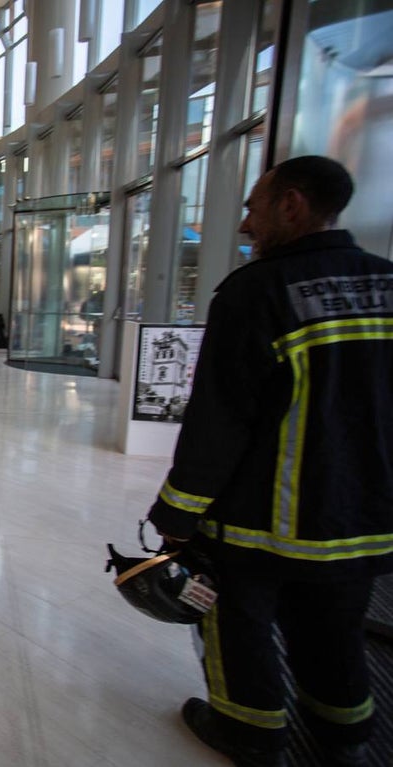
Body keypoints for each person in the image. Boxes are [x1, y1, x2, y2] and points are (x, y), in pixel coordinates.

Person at [147, 156, 393, 767]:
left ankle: (248, 730)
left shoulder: (258, 292)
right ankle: (346, 733)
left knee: (236, 619)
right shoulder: (388, 284)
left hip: (268, 518)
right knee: (337, 625)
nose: (246, 225)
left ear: (291, 204)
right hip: (364, 517)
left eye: (254, 209)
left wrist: (177, 511)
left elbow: (221, 419)